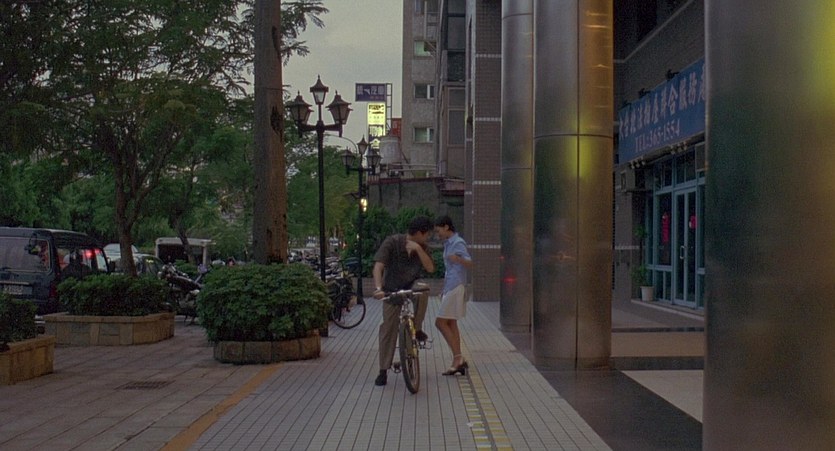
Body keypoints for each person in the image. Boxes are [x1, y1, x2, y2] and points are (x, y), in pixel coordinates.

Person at [371, 216, 435, 386]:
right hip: (391, 288)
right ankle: (383, 370)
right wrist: (378, 288)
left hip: (412, 285)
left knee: (423, 290)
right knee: (388, 328)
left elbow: (430, 268)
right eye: (427, 234)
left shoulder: (422, 247)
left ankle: (417, 328)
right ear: (420, 233)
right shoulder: (392, 242)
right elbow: (378, 266)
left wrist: (418, 249)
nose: (428, 238)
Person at [433, 215, 472, 376]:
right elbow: (449, 269)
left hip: (456, 285)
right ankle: (458, 359)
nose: (438, 234)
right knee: (451, 322)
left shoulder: (457, 242)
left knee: (440, 322)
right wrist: (444, 289)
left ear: (446, 227)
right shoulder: (449, 243)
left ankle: (458, 358)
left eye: (439, 231)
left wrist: (458, 259)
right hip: (451, 286)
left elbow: (469, 262)